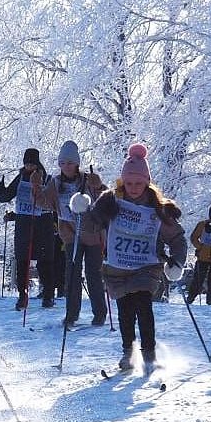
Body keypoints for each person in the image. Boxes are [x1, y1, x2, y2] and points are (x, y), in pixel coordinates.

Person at [86, 144, 188, 374]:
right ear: (122, 181)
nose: (133, 188)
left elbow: (178, 238)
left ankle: (149, 354)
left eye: (138, 183)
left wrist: (177, 261)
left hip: (146, 266)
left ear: (147, 181)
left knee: (143, 305)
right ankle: (128, 353)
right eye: (129, 183)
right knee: (125, 311)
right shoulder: (110, 200)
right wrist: (84, 209)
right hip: (117, 268)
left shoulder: (157, 208)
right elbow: (94, 222)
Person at [49, 141, 108, 327]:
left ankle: (99, 313)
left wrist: (98, 187)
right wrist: (35, 189)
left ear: (77, 163)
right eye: (63, 163)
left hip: (92, 234)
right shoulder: (55, 182)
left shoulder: (87, 179)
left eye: (70, 162)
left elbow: (106, 199)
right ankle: (71, 314)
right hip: (70, 235)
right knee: (72, 274)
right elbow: (43, 201)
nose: (66, 166)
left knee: (94, 275)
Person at [0, 147, 59, 310]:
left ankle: (48, 295)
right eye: (26, 164)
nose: (29, 167)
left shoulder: (46, 178)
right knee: (23, 261)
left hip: (43, 224)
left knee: (45, 261)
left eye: (31, 164)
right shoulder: (20, 177)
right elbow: (6, 196)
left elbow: (54, 200)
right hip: (24, 225)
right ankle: (22, 295)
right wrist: (0, 189)